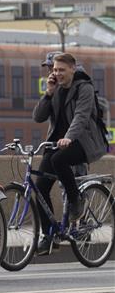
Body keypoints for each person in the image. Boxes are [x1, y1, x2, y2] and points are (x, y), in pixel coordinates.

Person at [32, 53, 108, 254]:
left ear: (73, 69)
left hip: (82, 142)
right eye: (54, 70)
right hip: (57, 143)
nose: (56, 73)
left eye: (60, 70)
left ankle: (77, 202)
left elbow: (81, 117)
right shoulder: (55, 89)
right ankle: (50, 235)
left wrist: (69, 137)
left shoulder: (84, 88)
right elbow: (38, 117)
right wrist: (48, 93)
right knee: (40, 188)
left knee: (60, 160)